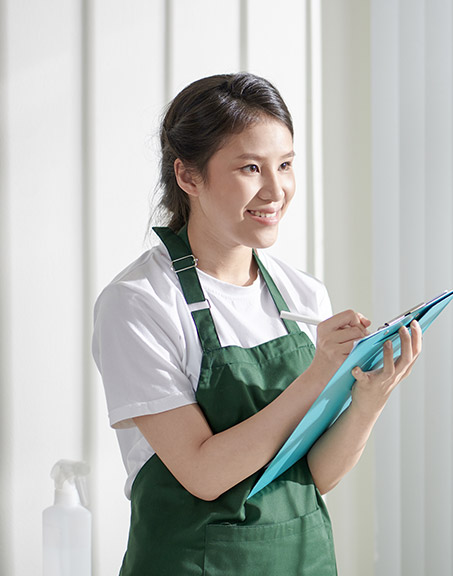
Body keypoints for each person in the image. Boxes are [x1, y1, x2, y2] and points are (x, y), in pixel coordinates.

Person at [92, 72, 421, 575]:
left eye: (285, 165)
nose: (276, 190)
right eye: (250, 167)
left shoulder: (302, 295)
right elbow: (203, 473)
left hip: (303, 560)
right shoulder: (138, 303)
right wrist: (317, 374)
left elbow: (312, 476)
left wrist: (368, 400)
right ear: (189, 177)